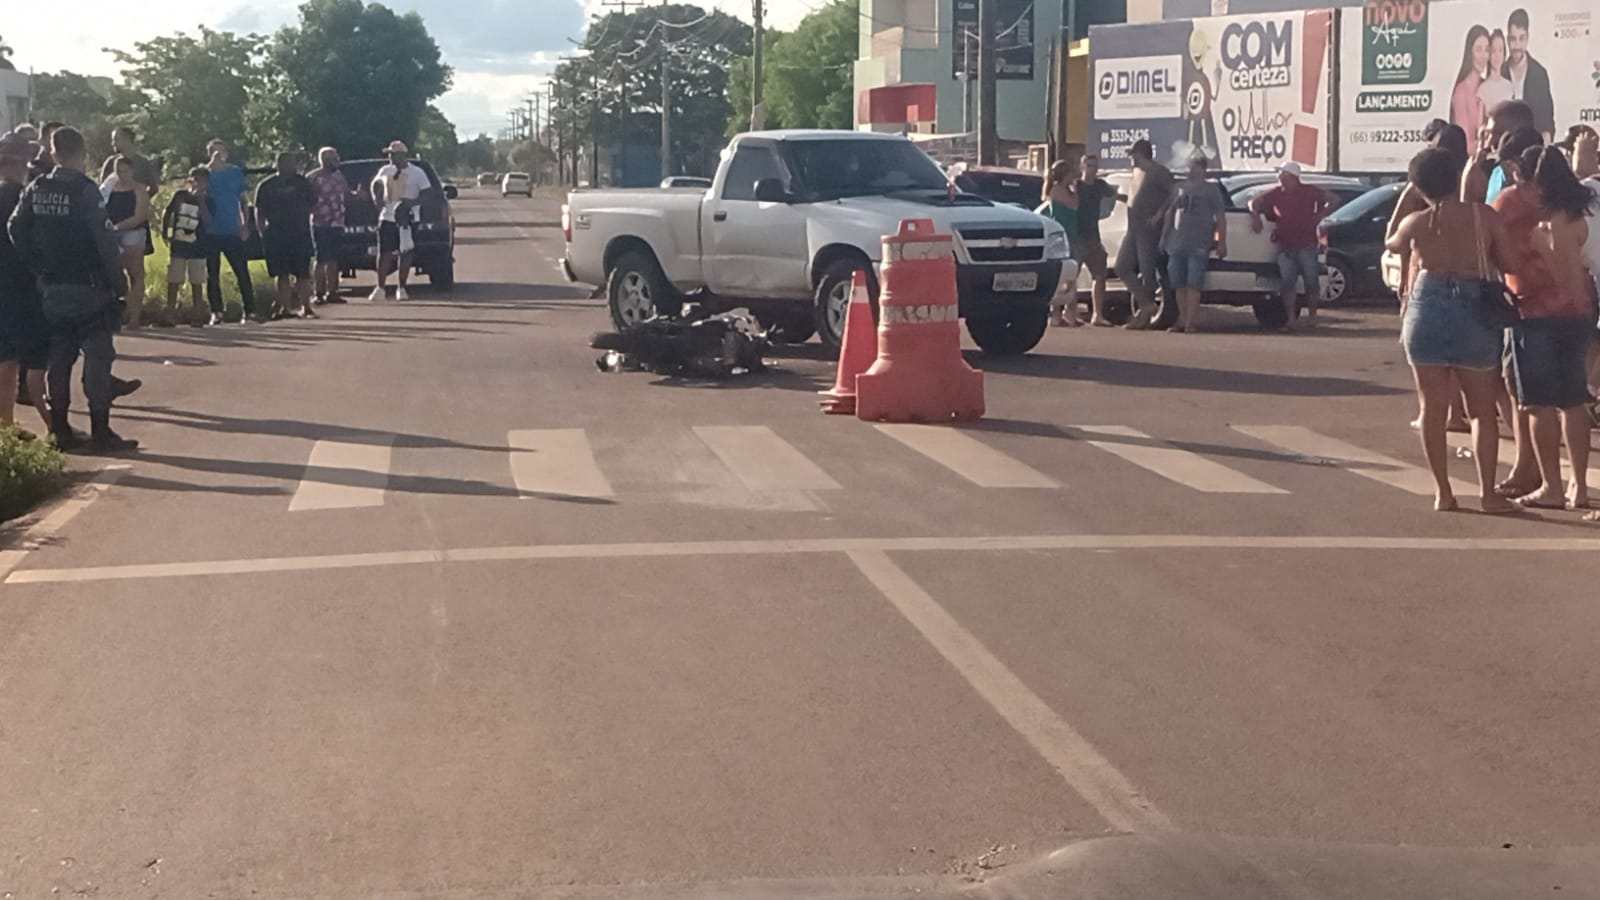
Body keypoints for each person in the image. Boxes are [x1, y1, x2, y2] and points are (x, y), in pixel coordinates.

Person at [1385, 148, 1519, 514]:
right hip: (1473, 304)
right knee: (1481, 409)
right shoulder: (1483, 216)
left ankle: (1443, 492)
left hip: (1427, 304)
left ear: (1419, 185)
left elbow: (1391, 241)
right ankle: (1488, 493)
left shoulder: (1416, 222)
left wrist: (1407, 199)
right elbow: (1508, 263)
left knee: (1432, 407)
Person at [6, 127, 138, 453]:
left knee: (60, 359)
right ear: (82, 153)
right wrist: (120, 284)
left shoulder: (37, 187)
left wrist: (37, 264)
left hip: (52, 287)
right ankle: (100, 431)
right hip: (89, 286)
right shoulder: (85, 190)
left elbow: (15, 227)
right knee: (97, 358)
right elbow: (104, 242)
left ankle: (61, 430)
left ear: (53, 153)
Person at [1494, 143, 1594, 510]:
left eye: (1522, 183)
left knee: (1540, 404)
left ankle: (1553, 485)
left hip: (1543, 317)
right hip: (1577, 317)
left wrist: (1541, 245)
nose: (1518, 191)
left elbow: (1565, 281)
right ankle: (1578, 486)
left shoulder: (1554, 223)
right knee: (1572, 401)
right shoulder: (1577, 211)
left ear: (1539, 184)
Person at [1389, 124, 1474, 432]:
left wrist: (1412, 191)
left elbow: (1393, 235)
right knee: (1469, 358)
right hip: (1469, 277)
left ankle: (1446, 414)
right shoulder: (1471, 177)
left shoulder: (1434, 189)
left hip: (1429, 277)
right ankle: (1462, 412)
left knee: (1433, 355)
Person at [0, 132, 51, 435]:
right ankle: (55, 429)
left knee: (6, 359)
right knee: (19, 360)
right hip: (19, 284)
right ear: (21, 162)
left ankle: (6, 425)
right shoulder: (21, 197)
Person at [1249, 161, 1338, 329]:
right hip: (1286, 246)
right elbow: (1255, 202)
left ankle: (1312, 317)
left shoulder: (1309, 191)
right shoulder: (1277, 193)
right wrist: (1255, 215)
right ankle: (1291, 319)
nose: (1280, 177)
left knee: (1311, 282)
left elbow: (1333, 199)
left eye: (1283, 174)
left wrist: (1319, 216)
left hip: (1307, 245)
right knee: (1287, 283)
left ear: (1293, 177)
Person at [1160, 155, 1227, 334]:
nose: (1191, 170)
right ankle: (1182, 319)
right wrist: (1164, 237)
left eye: (1195, 167)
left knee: (1194, 284)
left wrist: (1222, 242)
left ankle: (1190, 321)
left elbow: (1220, 216)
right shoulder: (1179, 188)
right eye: (1189, 166)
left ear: (1203, 169)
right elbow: (1169, 212)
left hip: (1199, 243)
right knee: (1178, 284)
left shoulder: (1211, 190)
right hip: (1176, 242)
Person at [1116, 139, 1174, 330]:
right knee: (1122, 266)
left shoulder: (1159, 172)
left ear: (1141, 154)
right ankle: (1145, 303)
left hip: (1149, 230)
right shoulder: (1136, 172)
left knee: (1148, 271)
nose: (1131, 158)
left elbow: (1174, 194)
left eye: (1133, 154)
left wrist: (1159, 214)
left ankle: (1145, 314)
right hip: (1133, 228)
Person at [255, 150, 315, 319]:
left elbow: (312, 205)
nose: (291, 166)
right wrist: (262, 232)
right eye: (288, 162)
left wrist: (306, 222)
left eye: (293, 162)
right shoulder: (267, 185)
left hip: (300, 233)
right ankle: (285, 308)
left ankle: (306, 308)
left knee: (303, 273)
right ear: (279, 164)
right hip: (276, 234)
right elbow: (259, 211)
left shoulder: (302, 183)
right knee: (282, 274)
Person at [202, 138, 256, 323]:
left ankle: (250, 311)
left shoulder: (235, 172)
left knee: (242, 270)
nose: (219, 155)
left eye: (221, 151)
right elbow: (194, 190)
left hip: (232, 229)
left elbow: (243, 200)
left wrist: (245, 223)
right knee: (212, 273)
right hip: (210, 231)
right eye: (214, 152)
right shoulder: (204, 173)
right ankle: (216, 311)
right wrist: (211, 166)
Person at [370, 140, 431, 302]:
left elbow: (427, 193)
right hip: (387, 217)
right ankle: (380, 287)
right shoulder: (385, 170)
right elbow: (375, 185)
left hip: (407, 218)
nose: (390, 157)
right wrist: (376, 198)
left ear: (402, 155)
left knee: (406, 252)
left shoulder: (417, 173)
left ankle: (401, 287)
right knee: (384, 253)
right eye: (389, 154)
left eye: (393, 154)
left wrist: (411, 202)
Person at [100, 156, 150, 328]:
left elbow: (140, 216)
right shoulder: (109, 189)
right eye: (118, 171)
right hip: (111, 234)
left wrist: (118, 226)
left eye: (125, 171)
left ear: (132, 171)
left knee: (135, 273)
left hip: (133, 232)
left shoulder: (139, 189)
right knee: (113, 273)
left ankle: (135, 316)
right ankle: (120, 311)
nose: (122, 175)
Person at [161, 166, 212, 326]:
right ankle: (170, 313)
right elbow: (168, 212)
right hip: (179, 244)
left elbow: (209, 222)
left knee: (196, 281)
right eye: (195, 180)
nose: (198, 183)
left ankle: (197, 314)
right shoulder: (180, 196)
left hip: (198, 246)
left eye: (202, 180)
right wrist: (165, 231)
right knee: (174, 279)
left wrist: (201, 200)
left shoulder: (210, 200)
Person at [1463, 99, 1535, 204]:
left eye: (1498, 133)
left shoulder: (1542, 181)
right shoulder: (1487, 172)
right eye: (1488, 134)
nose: (1490, 142)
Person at [1074, 153, 1118, 326]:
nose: (1093, 169)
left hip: (1094, 237)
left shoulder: (1100, 185)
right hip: (1077, 237)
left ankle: (1097, 314)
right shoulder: (1076, 185)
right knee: (1072, 277)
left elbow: (1116, 195)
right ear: (1082, 167)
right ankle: (1069, 312)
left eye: (1095, 165)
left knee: (1099, 276)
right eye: (1089, 165)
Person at [1037, 160, 1081, 327]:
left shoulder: (1064, 190)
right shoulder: (1057, 190)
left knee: (1071, 275)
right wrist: (1075, 190)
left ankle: (1068, 312)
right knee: (1064, 275)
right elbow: (1074, 205)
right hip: (1064, 234)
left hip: (1072, 232)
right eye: (1070, 174)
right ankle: (1058, 313)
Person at [308, 146, 351, 305]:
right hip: (320, 223)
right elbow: (306, 199)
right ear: (324, 160)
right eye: (334, 158)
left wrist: (357, 195)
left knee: (333, 259)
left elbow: (346, 194)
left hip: (337, 222)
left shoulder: (339, 176)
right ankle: (318, 293)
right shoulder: (312, 177)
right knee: (321, 259)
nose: (337, 160)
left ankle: (332, 292)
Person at [1505, 9, 1555, 141]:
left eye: (1521, 38)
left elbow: (1547, 122)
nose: (1517, 45)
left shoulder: (1539, 74)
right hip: (1506, 150)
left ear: (1527, 38)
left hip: (1533, 149)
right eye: (1513, 39)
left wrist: (1543, 153)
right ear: (1507, 39)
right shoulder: (1500, 73)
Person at [1449, 26, 1491, 140]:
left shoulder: (1488, 86)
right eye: (1478, 49)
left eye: (1487, 50)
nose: (1483, 56)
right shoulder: (1460, 92)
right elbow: (1464, 142)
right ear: (1469, 52)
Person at [1478, 30, 1515, 112]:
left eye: (1500, 50)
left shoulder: (1509, 87)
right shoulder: (1483, 89)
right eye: (1493, 50)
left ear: (1504, 55)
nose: (1497, 55)